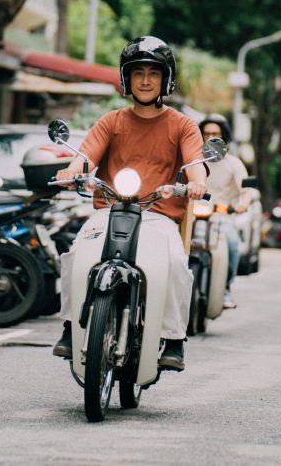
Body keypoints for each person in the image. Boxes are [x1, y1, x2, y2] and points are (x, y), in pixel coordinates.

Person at [51, 36, 207, 371]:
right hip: (110, 210)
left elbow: (194, 163)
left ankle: (175, 339)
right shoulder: (111, 121)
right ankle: (69, 326)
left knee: (177, 264)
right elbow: (85, 157)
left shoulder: (183, 125)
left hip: (158, 216)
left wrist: (196, 183)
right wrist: (71, 170)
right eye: (138, 73)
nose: (146, 80)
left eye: (154, 72)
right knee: (75, 253)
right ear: (126, 78)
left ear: (166, 79)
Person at [198, 114, 253, 308]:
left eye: (216, 133)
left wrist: (242, 204)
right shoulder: (192, 160)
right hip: (192, 217)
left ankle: (226, 288)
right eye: (207, 133)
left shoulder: (234, 163)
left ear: (224, 136)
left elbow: (246, 191)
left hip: (221, 217)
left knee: (231, 244)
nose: (211, 137)